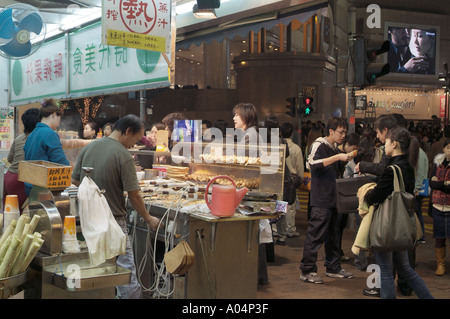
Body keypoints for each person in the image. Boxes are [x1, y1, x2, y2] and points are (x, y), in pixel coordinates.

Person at [71, 114, 161, 299]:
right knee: (125, 275)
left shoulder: (91, 147)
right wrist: (149, 218)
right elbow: (134, 196)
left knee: (98, 270)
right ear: (127, 131)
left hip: (88, 221)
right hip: (114, 223)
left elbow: (75, 180)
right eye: (134, 140)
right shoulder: (123, 155)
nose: (133, 145)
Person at [363, 127, 433, 299]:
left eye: (386, 141)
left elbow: (376, 196)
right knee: (406, 269)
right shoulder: (408, 166)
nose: (384, 143)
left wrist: (366, 194)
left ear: (394, 144)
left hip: (387, 228)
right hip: (401, 226)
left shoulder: (392, 170)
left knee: (386, 272)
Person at [299, 117, 355, 284]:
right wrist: (338, 157)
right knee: (315, 235)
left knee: (334, 235)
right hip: (321, 200)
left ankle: (333, 267)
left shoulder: (334, 148)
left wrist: (343, 159)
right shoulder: (319, 145)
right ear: (331, 131)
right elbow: (312, 164)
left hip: (333, 199)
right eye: (341, 132)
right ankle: (307, 270)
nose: (343, 135)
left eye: (345, 132)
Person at [24, 99, 70, 196]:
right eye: (59, 118)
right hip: (45, 189)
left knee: (36, 211)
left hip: (30, 187)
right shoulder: (50, 134)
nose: (59, 122)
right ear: (53, 115)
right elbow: (60, 162)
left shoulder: (32, 134)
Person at [3, 108, 40, 211]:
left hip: (8, 177)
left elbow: (10, 158)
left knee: (9, 214)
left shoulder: (19, 138)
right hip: (20, 180)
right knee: (19, 216)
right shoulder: (37, 138)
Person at [428, 138, 450, 276]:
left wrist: (439, 183)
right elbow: (431, 182)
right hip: (437, 205)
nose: (449, 150)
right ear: (443, 149)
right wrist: (445, 184)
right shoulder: (437, 163)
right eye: (447, 147)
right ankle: (440, 264)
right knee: (439, 237)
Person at [280, 122, 304, 238]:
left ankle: (279, 229)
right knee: (291, 206)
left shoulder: (278, 146)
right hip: (292, 180)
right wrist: (301, 179)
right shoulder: (296, 149)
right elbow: (300, 167)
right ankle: (290, 229)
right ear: (292, 134)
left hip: (280, 179)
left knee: (280, 204)